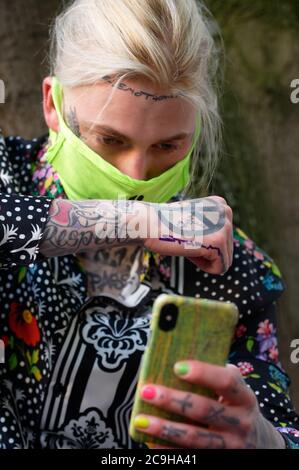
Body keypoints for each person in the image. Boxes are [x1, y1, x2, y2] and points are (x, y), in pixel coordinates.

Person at [0, 0, 298, 449]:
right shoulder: (7, 175)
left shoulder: (225, 265)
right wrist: (140, 219)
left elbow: (280, 429)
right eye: (110, 140)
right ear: (52, 104)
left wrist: (258, 436)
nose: (137, 174)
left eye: (167, 146)